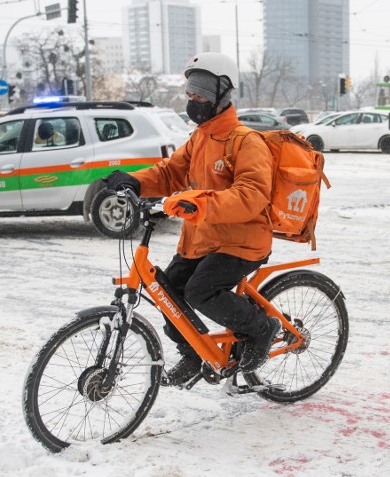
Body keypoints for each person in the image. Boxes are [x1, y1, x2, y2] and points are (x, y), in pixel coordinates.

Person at [104, 52, 281, 386]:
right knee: (167, 294)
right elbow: (172, 172)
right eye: (190, 95)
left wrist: (197, 203)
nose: (193, 102)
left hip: (242, 242)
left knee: (200, 291)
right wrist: (137, 181)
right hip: (203, 240)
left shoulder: (246, 141)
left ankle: (261, 328)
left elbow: (252, 195)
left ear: (221, 94)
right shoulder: (200, 137)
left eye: (199, 95)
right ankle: (194, 353)